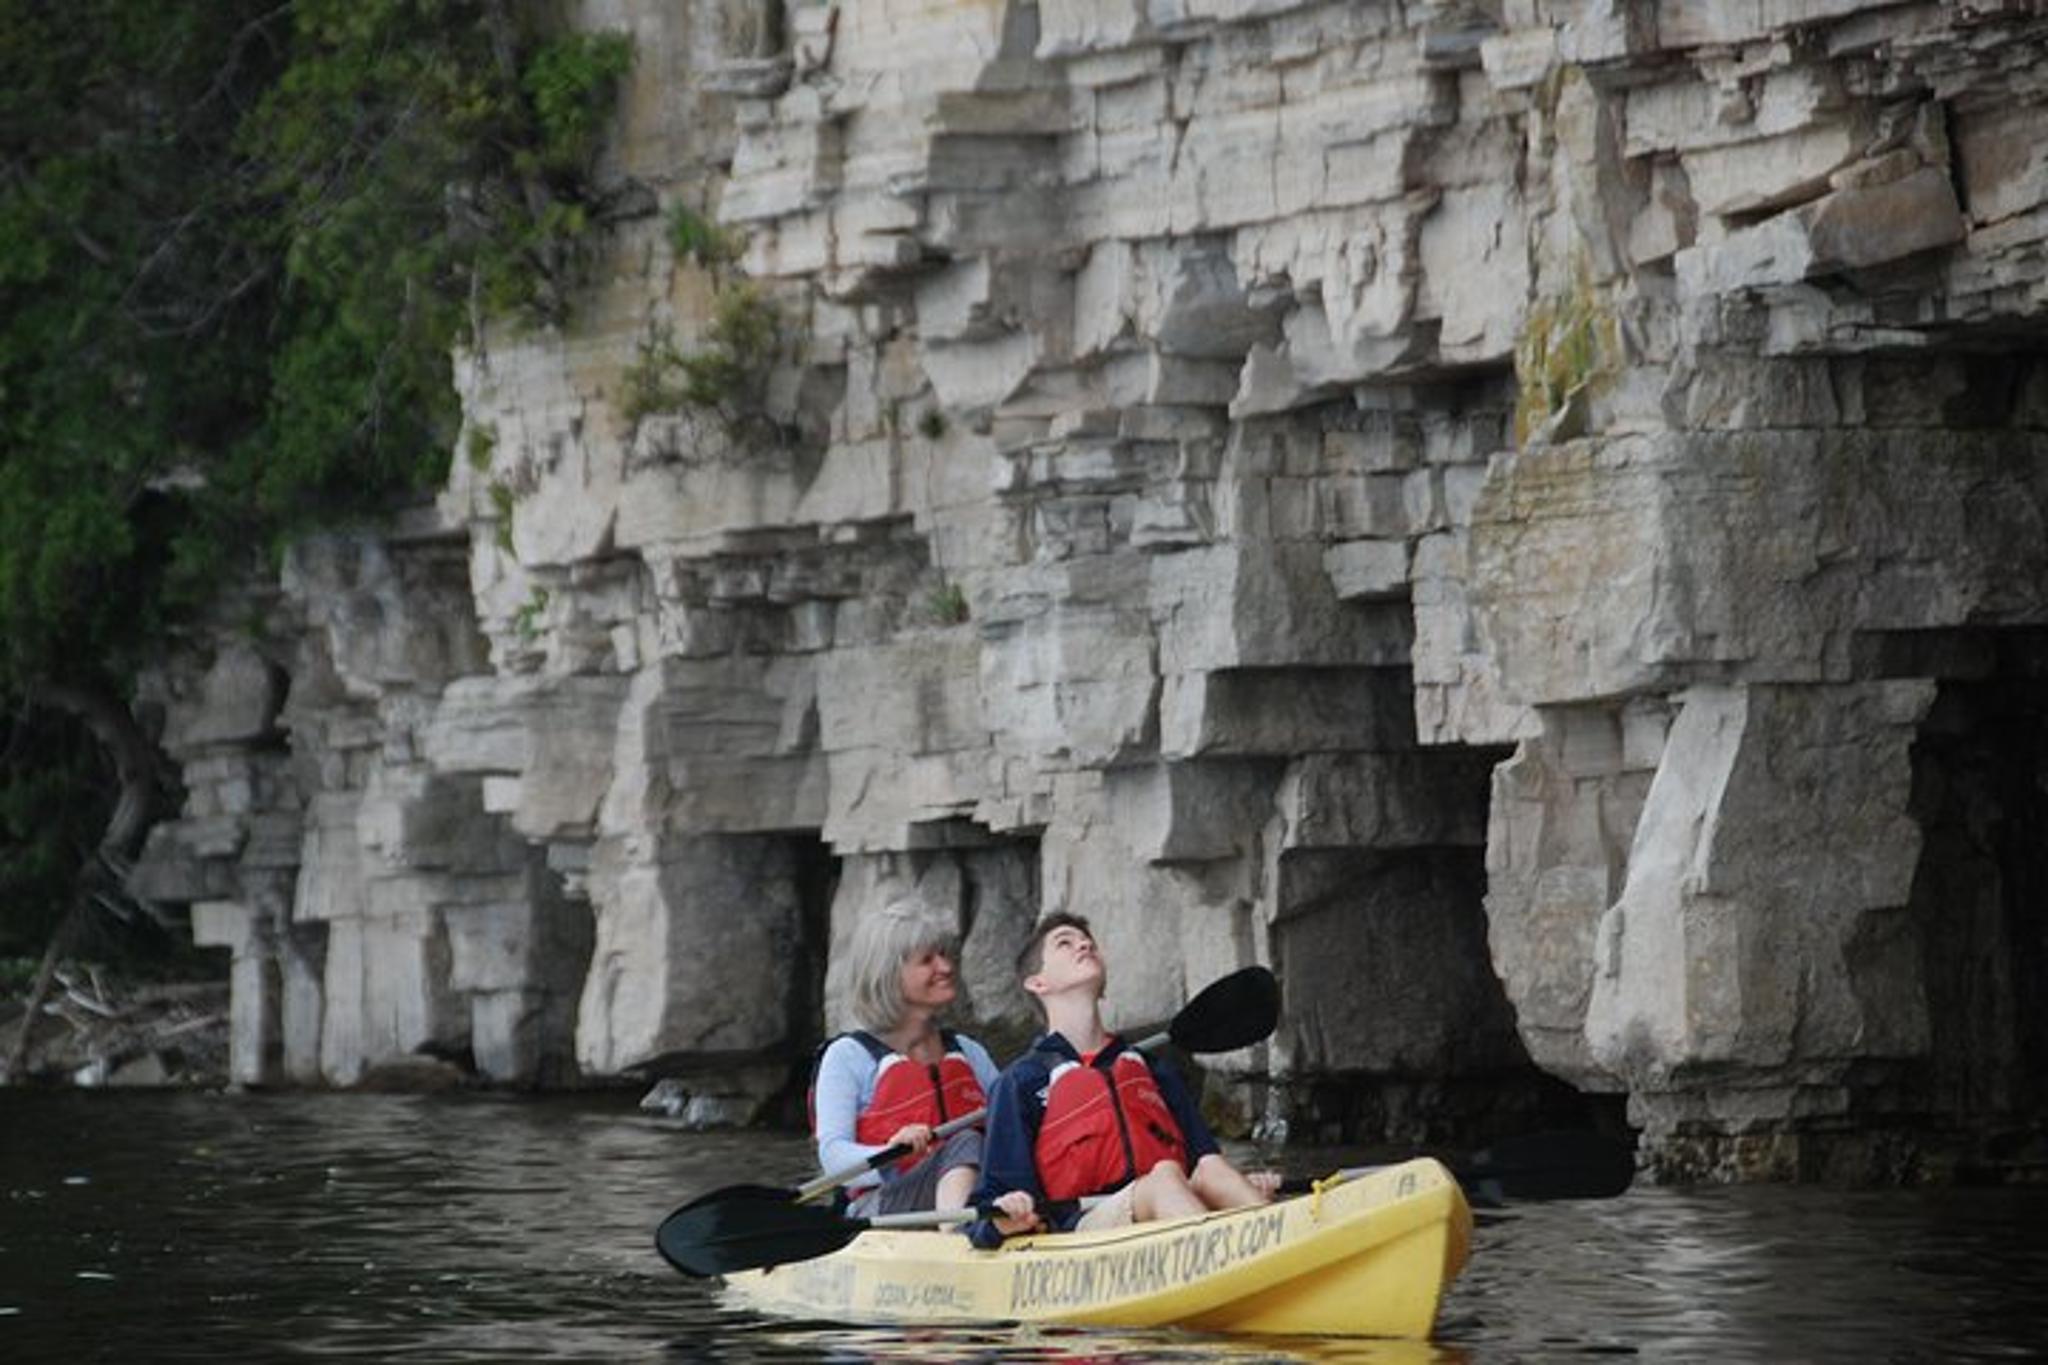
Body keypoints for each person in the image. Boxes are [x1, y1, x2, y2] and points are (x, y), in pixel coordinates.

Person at [968, 912, 1280, 1245]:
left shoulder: (1153, 1071)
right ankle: (1235, 1262)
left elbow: (1206, 1166)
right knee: (1164, 1176)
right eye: (1065, 943)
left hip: (1169, 1208)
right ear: (1037, 983)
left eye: (1089, 941)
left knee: (1211, 1171)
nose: (1085, 944)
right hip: (1082, 1234)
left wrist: (1244, 1186)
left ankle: (1278, 1237)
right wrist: (1006, 1215)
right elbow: (984, 1215)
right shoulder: (1020, 1083)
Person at [811, 900, 1001, 1216]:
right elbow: (833, 1155)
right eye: (927, 960)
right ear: (889, 974)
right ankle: (959, 1235)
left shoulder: (968, 1052)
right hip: (882, 1208)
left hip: (973, 1194)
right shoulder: (847, 1057)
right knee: (966, 1141)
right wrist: (890, 1152)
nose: (946, 967)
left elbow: (1009, 1125)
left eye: (943, 955)